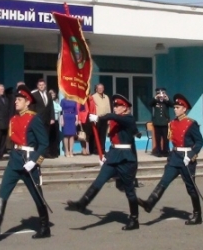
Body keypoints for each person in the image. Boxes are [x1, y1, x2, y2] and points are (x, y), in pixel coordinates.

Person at [0, 85, 51, 239]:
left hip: (28, 161)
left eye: (19, 100)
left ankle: (45, 227)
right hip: (15, 159)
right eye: (16, 99)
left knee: (37, 195)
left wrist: (35, 161)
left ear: (27, 102)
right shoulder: (14, 118)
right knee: (3, 190)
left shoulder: (34, 118)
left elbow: (44, 143)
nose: (16, 102)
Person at [66, 94, 140, 231]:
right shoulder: (116, 121)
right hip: (113, 157)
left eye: (118, 105)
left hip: (126, 159)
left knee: (130, 191)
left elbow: (113, 117)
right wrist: (106, 155)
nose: (115, 107)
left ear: (125, 108)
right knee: (99, 181)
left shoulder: (129, 119)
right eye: (115, 105)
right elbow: (113, 136)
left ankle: (134, 219)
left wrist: (99, 117)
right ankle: (83, 203)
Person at [138, 94, 203, 225]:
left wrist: (190, 155)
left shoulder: (191, 124)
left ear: (184, 109)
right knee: (164, 181)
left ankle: (197, 215)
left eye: (178, 107)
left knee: (190, 187)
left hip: (186, 159)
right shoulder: (172, 123)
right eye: (174, 107)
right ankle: (149, 203)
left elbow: (199, 142)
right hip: (175, 158)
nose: (175, 109)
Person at [30, 79, 55, 158]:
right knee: (37, 136)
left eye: (43, 85)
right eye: (40, 85)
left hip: (47, 119)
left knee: (46, 136)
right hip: (38, 119)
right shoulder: (34, 95)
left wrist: (52, 118)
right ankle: (37, 152)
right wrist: (33, 118)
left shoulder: (48, 95)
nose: (41, 86)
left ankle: (46, 152)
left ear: (45, 86)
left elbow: (51, 107)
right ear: (37, 86)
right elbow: (32, 107)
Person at [149, 87, 173, 157]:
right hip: (157, 123)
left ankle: (165, 151)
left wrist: (167, 98)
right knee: (158, 138)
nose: (161, 95)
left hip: (165, 123)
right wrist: (155, 97)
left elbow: (172, 105)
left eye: (162, 93)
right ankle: (158, 152)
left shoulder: (166, 102)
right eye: (159, 93)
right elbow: (150, 104)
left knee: (166, 138)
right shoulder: (155, 101)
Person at [90, 83, 111, 154]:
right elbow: (91, 108)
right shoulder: (93, 96)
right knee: (96, 134)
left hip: (105, 117)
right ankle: (96, 150)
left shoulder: (106, 97)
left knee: (103, 135)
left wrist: (109, 118)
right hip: (97, 118)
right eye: (99, 88)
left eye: (101, 88)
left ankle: (102, 149)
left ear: (103, 89)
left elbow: (108, 108)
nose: (100, 89)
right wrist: (93, 118)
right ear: (96, 89)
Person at [48, 89, 62, 158]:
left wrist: (56, 108)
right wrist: (56, 109)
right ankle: (51, 152)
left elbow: (60, 108)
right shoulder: (49, 102)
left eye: (53, 93)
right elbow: (55, 109)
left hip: (56, 121)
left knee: (56, 137)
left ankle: (55, 152)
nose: (52, 95)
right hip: (50, 121)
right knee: (51, 137)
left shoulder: (55, 102)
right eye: (51, 94)